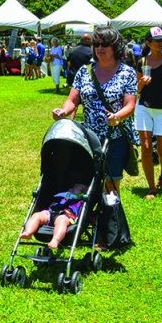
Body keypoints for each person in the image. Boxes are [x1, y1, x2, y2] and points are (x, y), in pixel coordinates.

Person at [52, 25, 138, 196]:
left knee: (111, 188)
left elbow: (130, 105)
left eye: (104, 44)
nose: (99, 48)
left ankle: (109, 221)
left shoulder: (127, 72)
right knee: (84, 184)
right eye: (96, 44)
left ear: (115, 46)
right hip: (88, 138)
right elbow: (72, 99)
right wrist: (63, 111)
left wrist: (117, 116)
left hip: (114, 137)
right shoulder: (84, 71)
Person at [135, 27, 162, 198]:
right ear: (148, 43)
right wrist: (142, 83)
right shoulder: (142, 62)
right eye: (157, 40)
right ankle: (151, 187)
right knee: (146, 148)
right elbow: (136, 90)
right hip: (144, 107)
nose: (161, 43)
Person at [19, 183, 88, 251]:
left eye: (77, 189)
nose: (72, 190)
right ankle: (28, 232)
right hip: (50, 212)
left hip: (66, 215)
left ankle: (55, 240)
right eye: (72, 189)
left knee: (61, 222)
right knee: (36, 215)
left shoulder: (80, 201)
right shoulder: (61, 196)